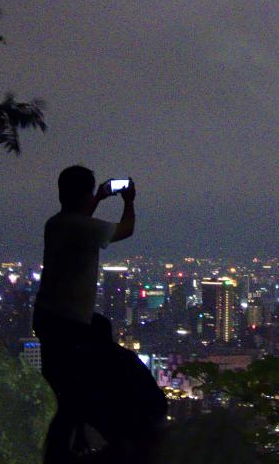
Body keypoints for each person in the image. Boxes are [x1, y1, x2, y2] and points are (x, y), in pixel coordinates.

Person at [33, 166, 166, 462]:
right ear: (84, 194)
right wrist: (128, 200)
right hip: (71, 326)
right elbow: (126, 229)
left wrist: (99, 197)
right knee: (87, 388)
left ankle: (62, 449)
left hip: (49, 319)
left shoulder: (55, 224)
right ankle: (128, 434)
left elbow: (79, 218)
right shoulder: (83, 228)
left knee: (65, 393)